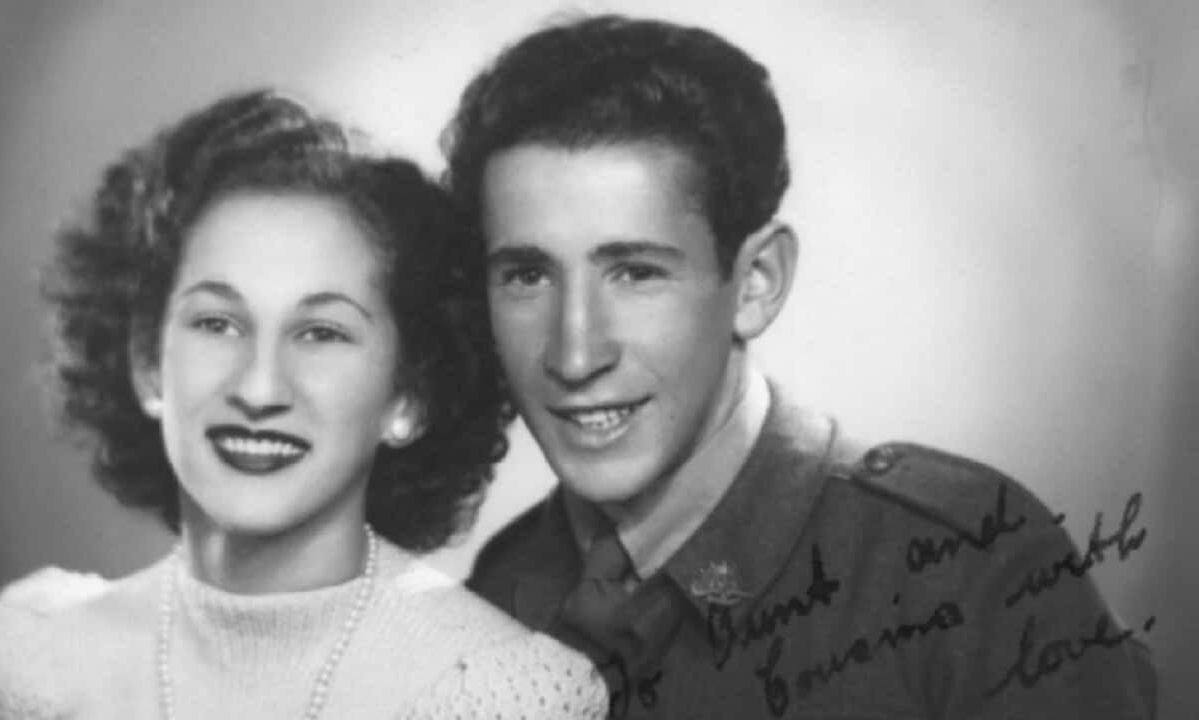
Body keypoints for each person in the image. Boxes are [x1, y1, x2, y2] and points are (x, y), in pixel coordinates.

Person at [442, 14, 1156, 719]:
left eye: (634, 272)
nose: (574, 355)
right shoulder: (504, 586)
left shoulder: (972, 569)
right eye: (527, 276)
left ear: (756, 283)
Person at [0, 89, 607, 719]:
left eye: (321, 333)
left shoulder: (499, 696)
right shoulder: (39, 656)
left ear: (409, 394)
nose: (259, 389)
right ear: (147, 365)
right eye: (217, 323)